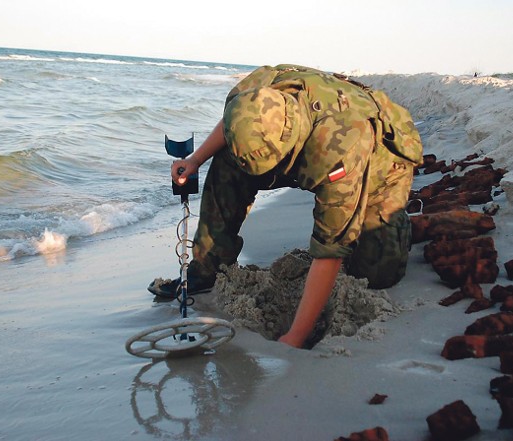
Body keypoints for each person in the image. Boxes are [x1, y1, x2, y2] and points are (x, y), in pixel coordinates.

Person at [151, 64, 423, 348]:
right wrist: (195, 160)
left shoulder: (339, 150)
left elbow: (329, 249)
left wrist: (295, 337)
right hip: (299, 138)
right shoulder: (253, 93)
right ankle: (207, 267)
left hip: (381, 163)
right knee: (227, 163)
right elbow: (233, 124)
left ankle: (395, 223)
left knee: (378, 273)